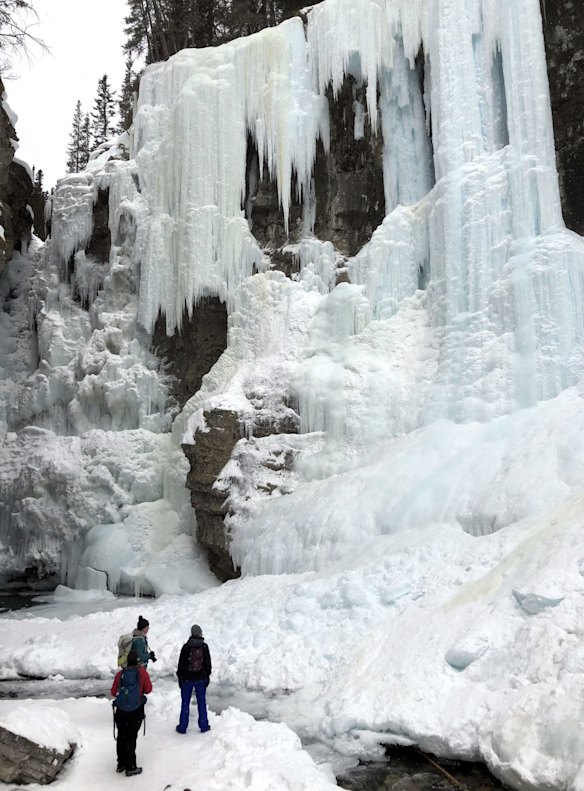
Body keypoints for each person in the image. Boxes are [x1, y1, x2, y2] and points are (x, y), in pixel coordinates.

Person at [111, 649, 152, 776]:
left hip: (121, 711)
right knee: (131, 737)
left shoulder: (120, 674)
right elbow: (148, 689)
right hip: (135, 710)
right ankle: (131, 766)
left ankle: (121, 763)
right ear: (138, 661)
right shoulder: (142, 673)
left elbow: (113, 692)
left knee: (121, 736)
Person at [176, 624, 212, 734]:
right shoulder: (204, 647)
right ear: (200, 633)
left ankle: (182, 727)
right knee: (202, 702)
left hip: (187, 679)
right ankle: (204, 725)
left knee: (185, 703)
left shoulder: (186, 647)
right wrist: (207, 677)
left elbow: (181, 665)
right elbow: (208, 664)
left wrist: (181, 679)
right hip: (201, 678)